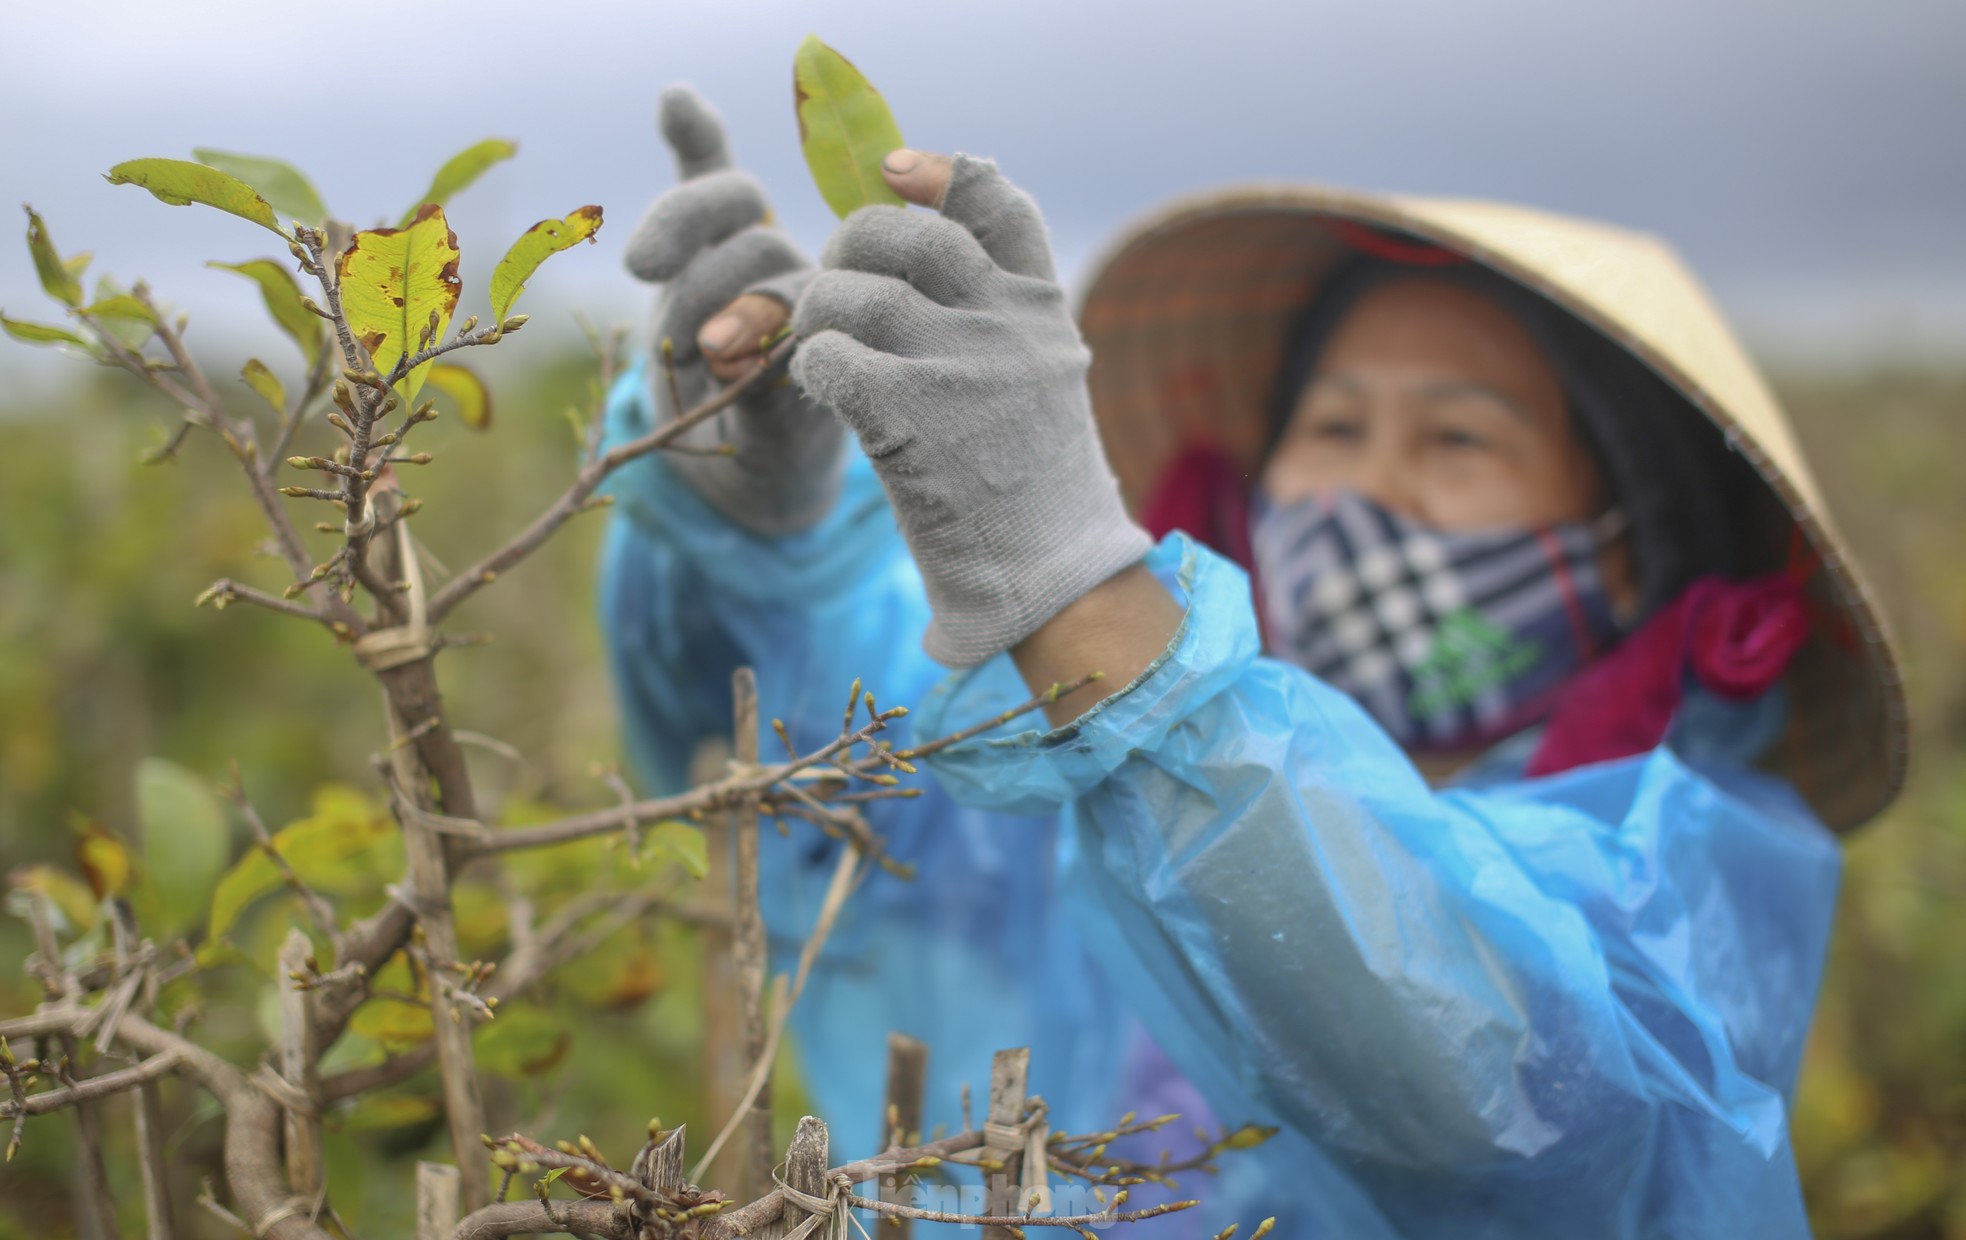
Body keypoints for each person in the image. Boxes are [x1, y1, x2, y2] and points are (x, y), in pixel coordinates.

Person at [598, 86, 1908, 1239]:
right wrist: (753, 511)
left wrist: (1083, 594)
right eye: (1331, 425)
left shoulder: (1685, 859)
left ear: (1626, 552)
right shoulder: (1072, 761)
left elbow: (1480, 1071)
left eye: (1457, 442)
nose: (1365, 492)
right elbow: (827, 725)